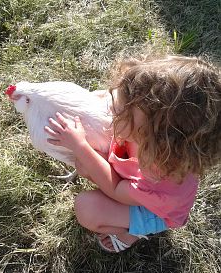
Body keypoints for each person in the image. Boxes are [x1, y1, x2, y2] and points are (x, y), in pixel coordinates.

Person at [44, 55, 221, 253]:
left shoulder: (157, 175)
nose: (112, 111)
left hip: (155, 210)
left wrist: (80, 146)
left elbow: (117, 188)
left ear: (156, 138)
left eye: (120, 112)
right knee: (85, 163)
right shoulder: (146, 136)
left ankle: (132, 232)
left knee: (87, 208)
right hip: (130, 185)